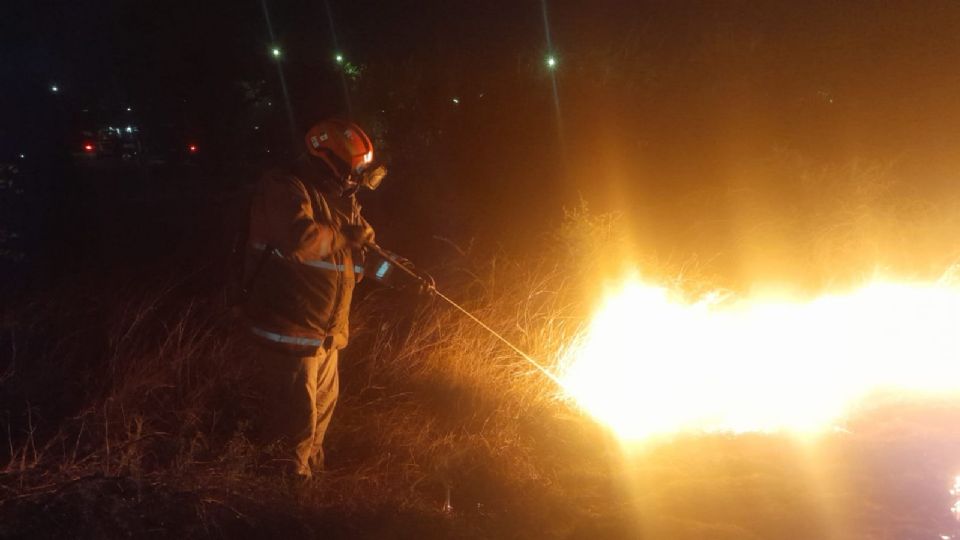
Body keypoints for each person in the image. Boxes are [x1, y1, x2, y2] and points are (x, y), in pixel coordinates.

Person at [241, 119, 387, 479]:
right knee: (294, 424)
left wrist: (398, 272)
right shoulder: (285, 186)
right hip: (289, 326)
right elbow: (301, 240)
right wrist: (349, 235)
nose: (358, 179)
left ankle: (312, 488)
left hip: (325, 332)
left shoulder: (341, 198)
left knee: (320, 417)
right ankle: (286, 502)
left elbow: (356, 256)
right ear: (327, 159)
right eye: (354, 171)